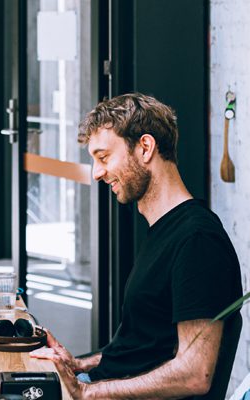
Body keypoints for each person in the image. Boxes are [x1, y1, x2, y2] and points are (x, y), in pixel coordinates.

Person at [30, 93, 242, 399]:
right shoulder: (165, 230)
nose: (97, 172)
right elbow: (142, 350)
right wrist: (77, 364)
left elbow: (195, 374)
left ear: (145, 148)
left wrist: (87, 393)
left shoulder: (197, 241)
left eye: (103, 157)